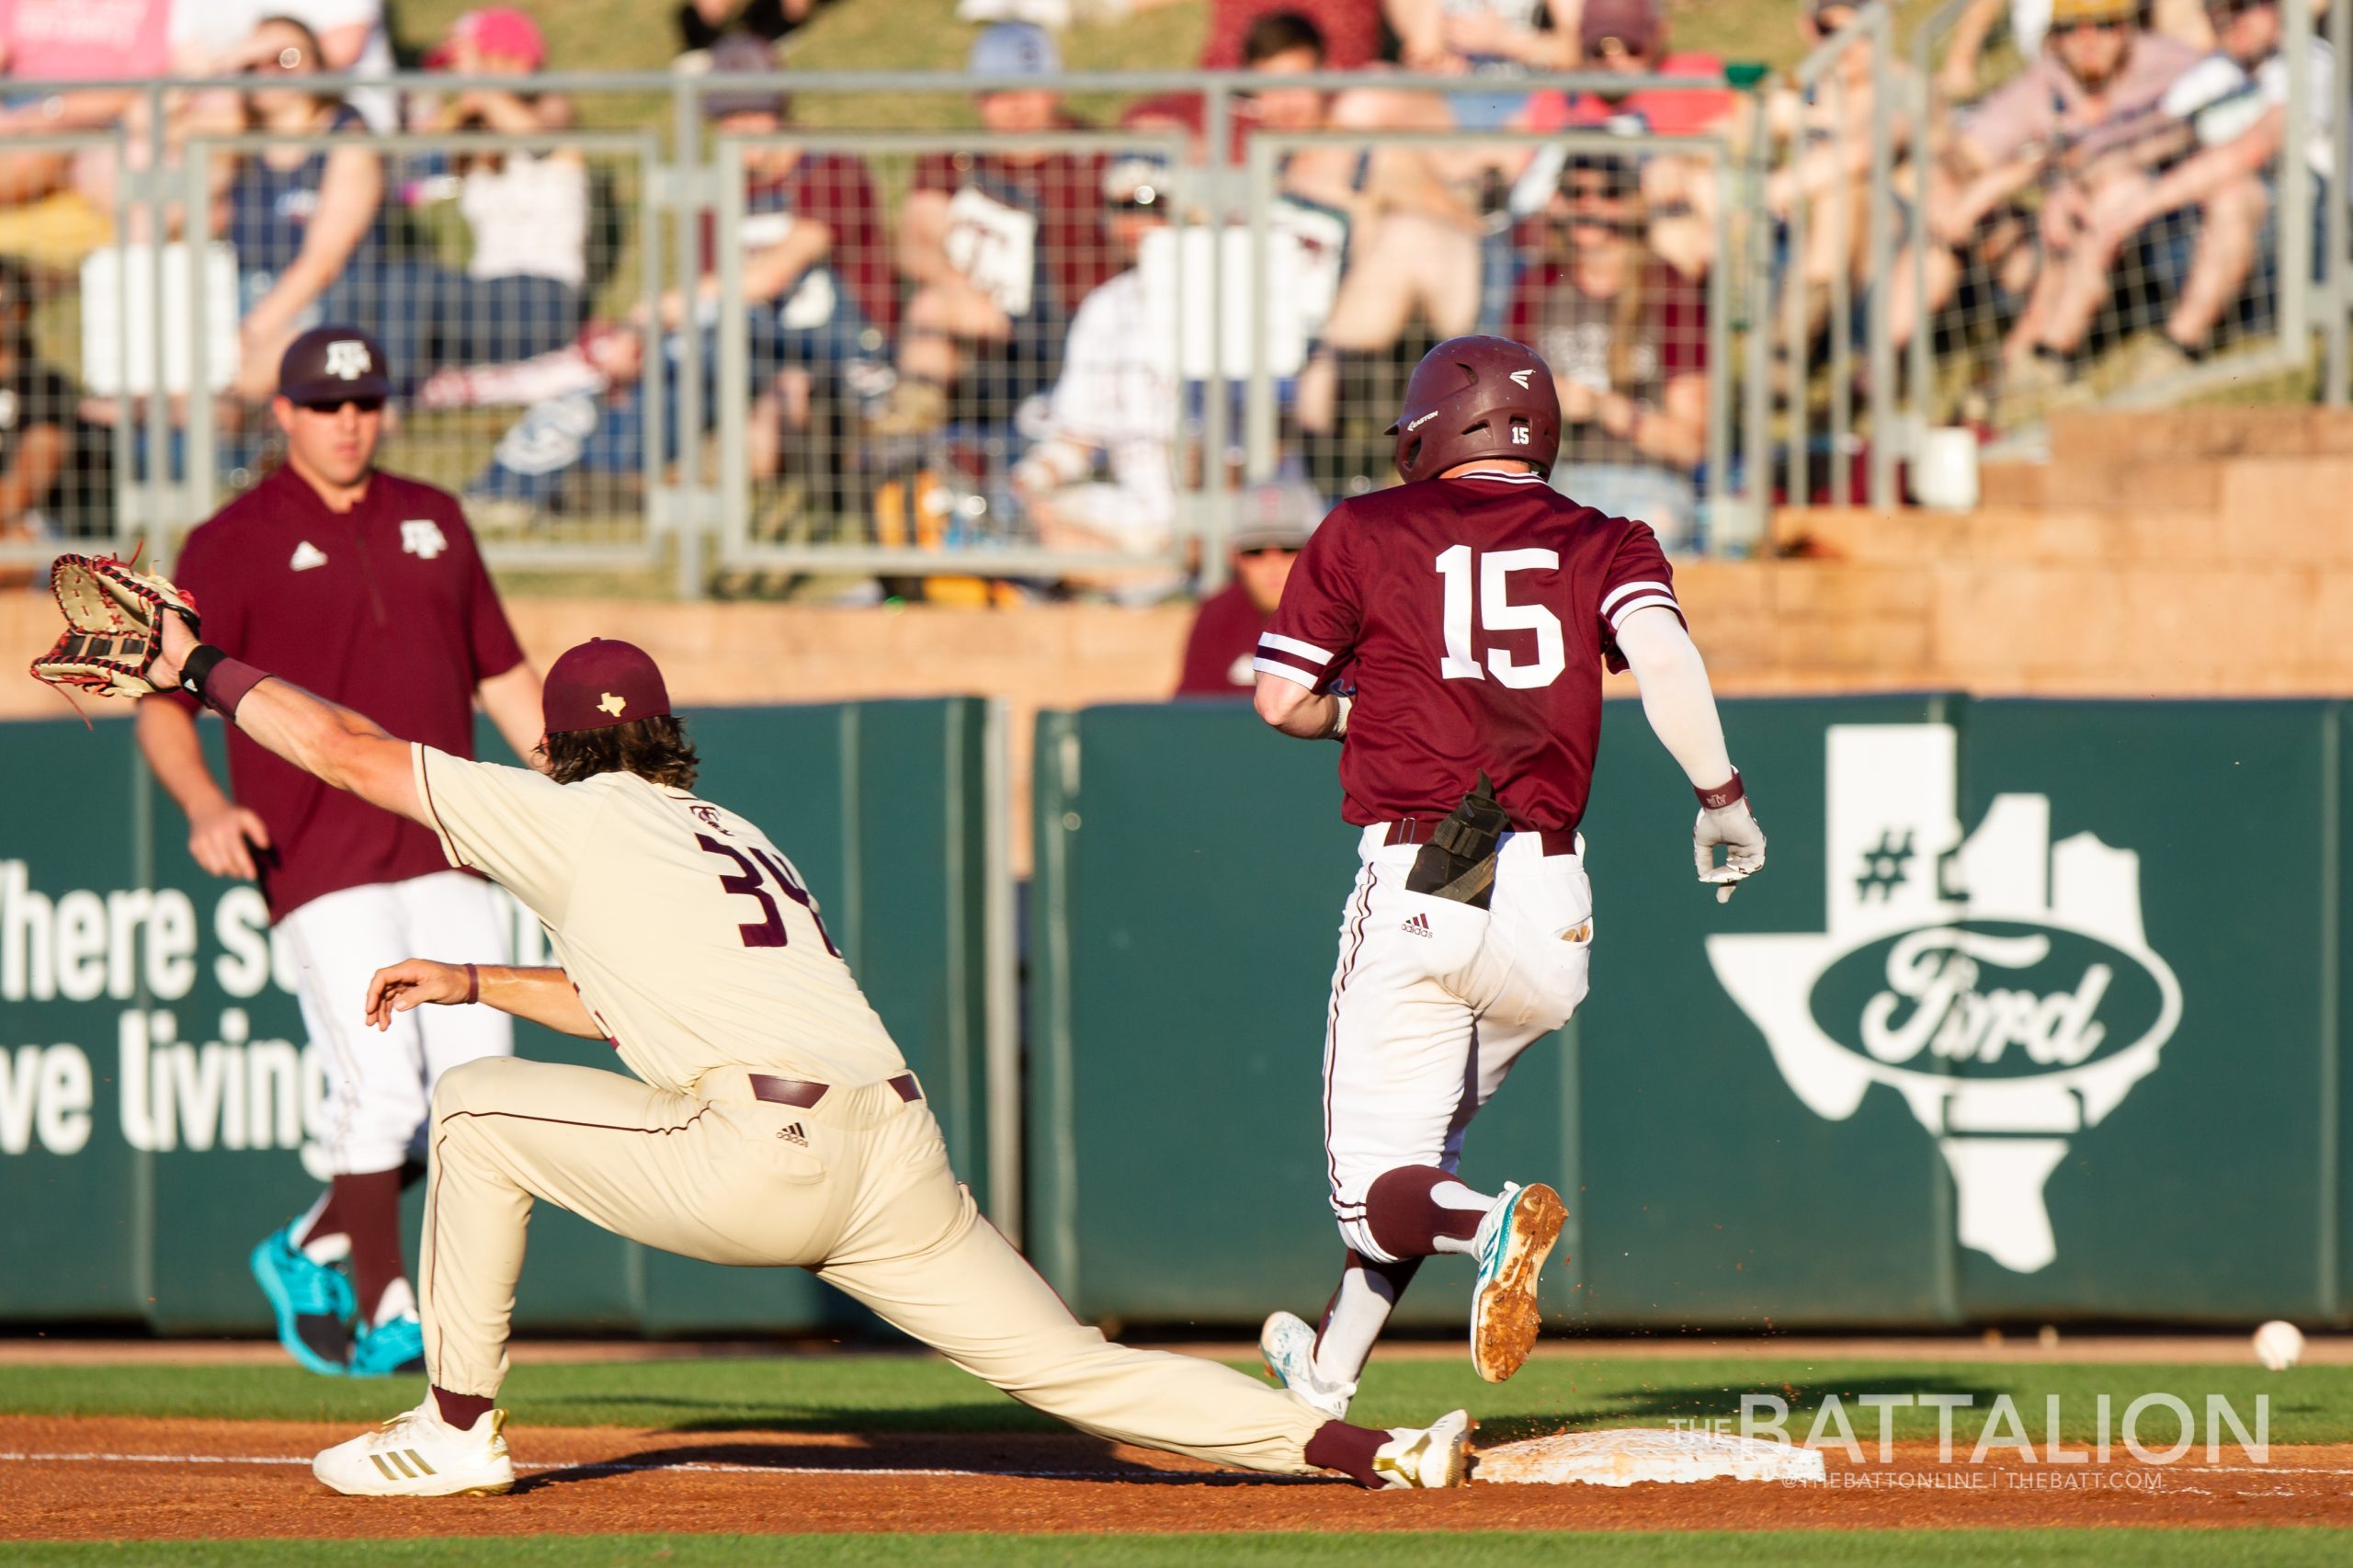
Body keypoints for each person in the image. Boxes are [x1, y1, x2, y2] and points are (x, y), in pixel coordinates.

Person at [122, 620, 1476, 1497]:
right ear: (666, 734)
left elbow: (348, 752)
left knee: (471, 1108)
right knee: (1076, 1367)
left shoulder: (570, 816)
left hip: (760, 1154)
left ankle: (457, 1427)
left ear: (558, 742)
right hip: (894, 1154)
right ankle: (1370, 1448)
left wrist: (202, 670)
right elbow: (645, 1006)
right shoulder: (735, 829)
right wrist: (475, 977)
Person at [1247, 335, 1765, 1419]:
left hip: (1441, 856)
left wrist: (1362, 710)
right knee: (1417, 1165)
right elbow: (1666, 662)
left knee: (1376, 1190)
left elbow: (1280, 700)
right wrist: (1720, 798)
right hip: (1553, 896)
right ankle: (1328, 1376)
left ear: (1434, 422)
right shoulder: (1607, 536)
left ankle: (1491, 1223)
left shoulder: (1364, 527)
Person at [133, 326, 544, 1379]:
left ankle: (313, 1236)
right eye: (323, 403)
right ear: (283, 413)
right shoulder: (230, 538)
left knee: (481, 1090)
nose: (347, 420)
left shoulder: (435, 518)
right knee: (385, 1088)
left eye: (363, 400)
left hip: (448, 841)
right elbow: (162, 701)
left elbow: (499, 670)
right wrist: (202, 806)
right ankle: (386, 1306)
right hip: (318, 855)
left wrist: (572, 783)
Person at [471, 31, 888, 517]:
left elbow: (772, 273)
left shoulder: (830, 169)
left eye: (756, 114)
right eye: (729, 119)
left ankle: (607, 474)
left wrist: (656, 312)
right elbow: (711, 297)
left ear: (781, 109)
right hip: (750, 354)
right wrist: (640, 337)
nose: (744, 129)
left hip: (846, 355)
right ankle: (553, 481)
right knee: (638, 367)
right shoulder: (721, 192)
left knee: (702, 353)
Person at [1910, 0, 2199, 403]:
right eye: (2071, 29)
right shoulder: (2044, 85)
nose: (2088, 41)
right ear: (2052, 40)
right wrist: (1971, 190)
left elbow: (2221, 118)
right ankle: (1885, 381)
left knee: (2109, 195)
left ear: (2127, 27)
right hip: (2074, 242)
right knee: (1967, 232)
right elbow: (1968, 152)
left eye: (2103, 25)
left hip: (2173, 227)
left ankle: (2038, 360)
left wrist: (2095, 169)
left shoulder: (2173, 63)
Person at [2032, 0, 2333, 382]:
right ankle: (2051, 353)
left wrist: (2142, 207)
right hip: (2221, 233)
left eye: (2243, 7)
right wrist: (2077, 184)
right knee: (2118, 186)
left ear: (2276, 10)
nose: (2230, 19)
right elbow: (2155, 135)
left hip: (2314, 239)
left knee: (2233, 192)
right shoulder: (2215, 71)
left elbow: (2249, 151)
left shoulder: (2308, 61)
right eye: (2218, 9)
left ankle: (2177, 348)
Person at [883, 23, 1115, 436]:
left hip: (1078, 330)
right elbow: (918, 238)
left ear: (1056, 91)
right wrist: (959, 291)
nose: (1016, 107)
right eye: (999, 93)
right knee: (932, 309)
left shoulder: (1096, 157)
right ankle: (908, 442)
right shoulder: (954, 160)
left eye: (1029, 90)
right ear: (978, 98)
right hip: (981, 328)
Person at [1506, 156, 1709, 548]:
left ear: (1634, 204)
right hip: (1553, 479)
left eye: (1608, 193)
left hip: (1647, 479)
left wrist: (1602, 408)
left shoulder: (1668, 288)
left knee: (1643, 533)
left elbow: (1690, 443)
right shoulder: (1537, 284)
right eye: (1574, 192)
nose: (1589, 205)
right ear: (1556, 202)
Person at [1010, 155, 1181, 600]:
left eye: (1153, 206)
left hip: (1212, 507)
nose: (1136, 223)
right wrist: (1026, 483)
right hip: (1131, 513)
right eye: (1123, 208)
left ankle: (1158, 583)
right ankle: (1151, 584)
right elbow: (1077, 438)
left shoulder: (1226, 292)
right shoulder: (1105, 307)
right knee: (1025, 524)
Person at [212, 16, 392, 407]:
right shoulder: (238, 139)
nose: (269, 71)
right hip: (245, 298)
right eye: (254, 65)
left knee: (244, 376)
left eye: (286, 58)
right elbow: (148, 126)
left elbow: (322, 263)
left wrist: (245, 335)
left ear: (318, 64)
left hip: (325, 306)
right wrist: (224, 65)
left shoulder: (348, 138)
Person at [0, 256, 108, 564]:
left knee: (17, 545)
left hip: (37, 527)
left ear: (20, 311)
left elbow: (24, 488)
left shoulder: (43, 385)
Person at [1174, 479, 1323, 696]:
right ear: (1234, 557)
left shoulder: (1346, 618)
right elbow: (1192, 714)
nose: (1273, 564)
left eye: (1289, 548)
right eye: (1255, 551)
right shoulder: (1217, 615)